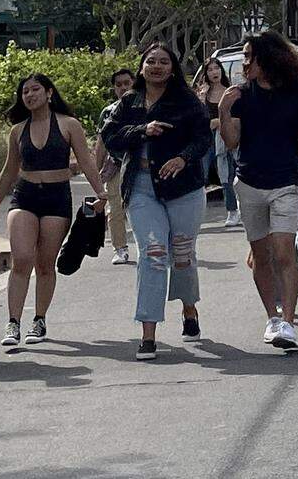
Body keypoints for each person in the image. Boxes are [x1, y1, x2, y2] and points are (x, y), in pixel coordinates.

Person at [218, 32, 298, 349]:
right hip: (249, 184)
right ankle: (273, 318)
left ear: (271, 58)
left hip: (286, 185)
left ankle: (289, 324)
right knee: (261, 256)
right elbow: (231, 142)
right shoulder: (241, 96)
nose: (246, 62)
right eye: (245, 56)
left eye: (252, 55)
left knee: (284, 252)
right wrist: (224, 112)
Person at [103, 43, 211, 361]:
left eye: (164, 62)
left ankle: (189, 308)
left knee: (181, 253)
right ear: (141, 67)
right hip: (141, 188)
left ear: (173, 68)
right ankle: (148, 334)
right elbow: (110, 135)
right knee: (152, 254)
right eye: (150, 61)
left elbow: (203, 138)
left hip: (183, 189)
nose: (156, 66)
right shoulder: (129, 102)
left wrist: (183, 158)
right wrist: (142, 130)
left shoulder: (187, 101)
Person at [0, 73, 108, 346]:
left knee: (44, 264)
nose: (29, 95)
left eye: (35, 89)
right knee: (22, 257)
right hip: (25, 196)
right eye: (25, 91)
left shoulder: (68, 125)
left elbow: (86, 162)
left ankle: (39, 320)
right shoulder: (17, 130)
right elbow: (9, 171)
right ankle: (13, 322)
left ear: (49, 92)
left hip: (56, 198)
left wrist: (101, 192)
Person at [94, 68, 136, 264]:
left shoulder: (145, 106)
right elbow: (101, 143)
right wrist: (96, 172)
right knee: (115, 208)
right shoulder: (108, 112)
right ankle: (120, 248)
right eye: (118, 85)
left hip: (141, 164)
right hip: (116, 165)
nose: (123, 88)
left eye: (126, 83)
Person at [195, 58, 240, 227]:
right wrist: (202, 97)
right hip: (207, 140)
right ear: (205, 74)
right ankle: (197, 211)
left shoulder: (230, 92)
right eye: (210, 70)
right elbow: (197, 119)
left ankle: (233, 210)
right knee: (204, 174)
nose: (214, 72)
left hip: (226, 137)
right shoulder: (202, 95)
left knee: (229, 174)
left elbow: (237, 117)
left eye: (217, 68)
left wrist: (218, 122)